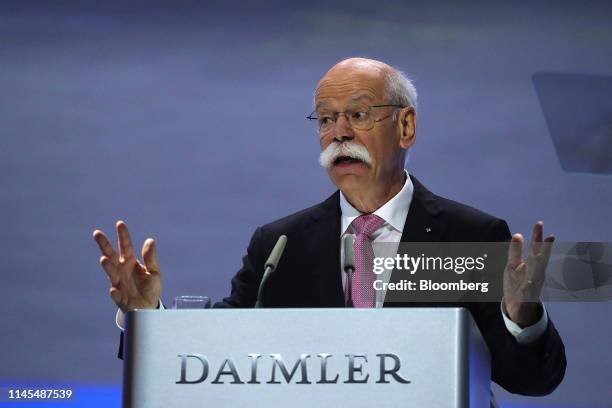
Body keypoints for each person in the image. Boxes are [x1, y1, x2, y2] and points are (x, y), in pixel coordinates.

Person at [93, 58, 566, 396]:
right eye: (325, 119)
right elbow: (223, 347)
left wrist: (522, 319)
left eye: (358, 115)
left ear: (405, 128)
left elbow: (531, 380)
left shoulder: (468, 236)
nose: (339, 132)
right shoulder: (281, 243)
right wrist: (145, 318)